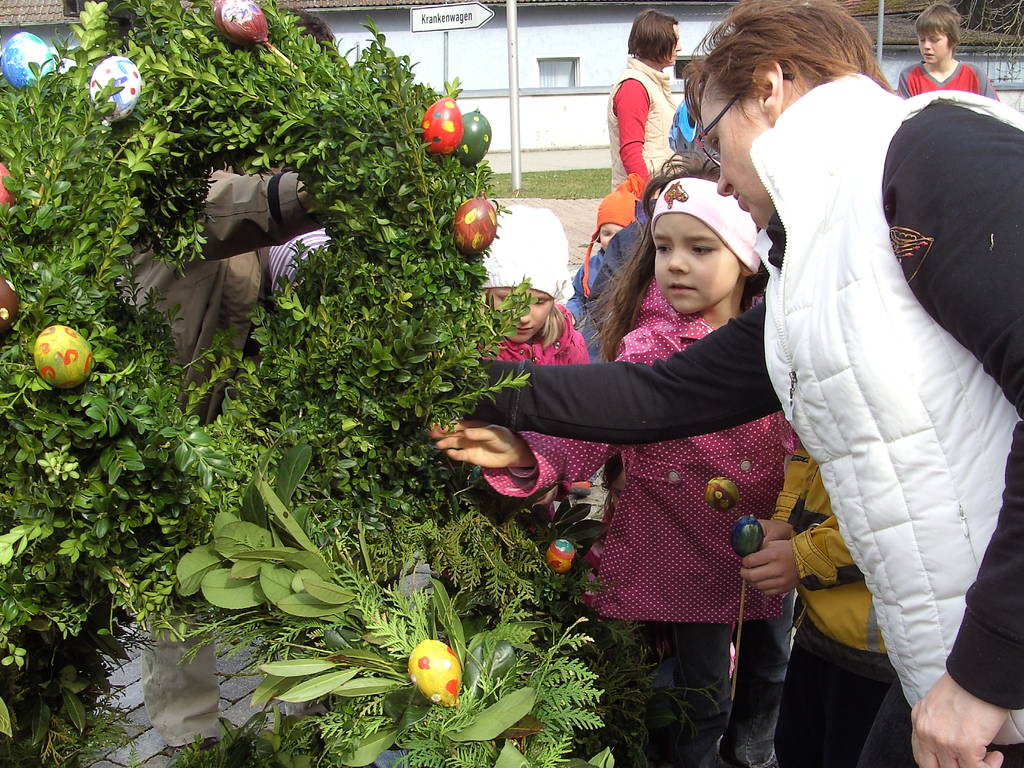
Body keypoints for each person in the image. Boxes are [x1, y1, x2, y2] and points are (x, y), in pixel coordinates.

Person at [433, 0, 1024, 765]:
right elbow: (662, 396)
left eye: (711, 137)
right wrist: (457, 381)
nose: (715, 169)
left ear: (770, 88)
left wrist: (988, 667)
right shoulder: (818, 262)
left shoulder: (930, 153)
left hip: (990, 679)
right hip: (955, 675)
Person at [438, 176, 794, 768]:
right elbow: (600, 420)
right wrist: (531, 455)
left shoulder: (778, 339)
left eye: (700, 249)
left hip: (769, 546)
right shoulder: (650, 346)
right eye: (663, 247)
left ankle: (755, 756)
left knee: (771, 671)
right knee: (703, 695)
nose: (675, 265)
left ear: (748, 259)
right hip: (682, 552)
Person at [746, 448, 894, 768]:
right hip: (816, 635)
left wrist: (803, 558)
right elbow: (808, 464)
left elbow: (901, 519)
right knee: (797, 750)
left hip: (878, 659)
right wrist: (785, 524)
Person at [483, 205, 587, 366]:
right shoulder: (470, 347)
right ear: (486, 293)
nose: (523, 317)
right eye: (507, 299)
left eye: (539, 301)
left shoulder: (570, 344)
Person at [565, 173, 643, 360]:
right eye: (607, 233)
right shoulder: (590, 267)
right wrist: (571, 315)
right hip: (592, 341)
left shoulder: (638, 268)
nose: (613, 240)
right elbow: (578, 297)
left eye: (620, 234)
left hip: (624, 339)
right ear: (598, 235)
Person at [608, 10, 680, 188]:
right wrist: (647, 198)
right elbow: (631, 153)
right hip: (643, 198)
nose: (679, 48)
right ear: (657, 42)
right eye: (675, 41)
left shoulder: (653, 83)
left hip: (661, 191)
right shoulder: (634, 87)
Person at [897, 2, 998, 99]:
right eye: (922, 40)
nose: (926, 46)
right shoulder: (909, 76)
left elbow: (995, 113)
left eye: (934, 40)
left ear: (952, 40)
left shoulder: (974, 75)